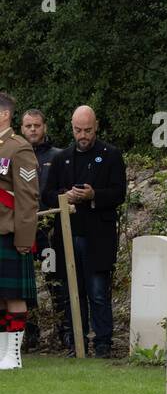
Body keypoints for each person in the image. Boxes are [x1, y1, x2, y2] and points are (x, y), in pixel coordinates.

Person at [50, 105, 126, 358]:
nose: (83, 135)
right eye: (78, 130)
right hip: (69, 234)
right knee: (74, 292)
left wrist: (94, 195)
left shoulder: (111, 155)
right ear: (72, 127)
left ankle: (103, 343)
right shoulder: (62, 158)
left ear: (97, 126)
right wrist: (65, 196)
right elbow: (47, 195)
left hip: (99, 236)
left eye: (88, 130)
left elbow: (119, 193)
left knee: (97, 293)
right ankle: (77, 342)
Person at [19, 108, 68, 351]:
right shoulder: (12, 155)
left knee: (54, 281)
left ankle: (64, 334)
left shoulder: (57, 157)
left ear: (44, 127)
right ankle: (30, 335)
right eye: (28, 126)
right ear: (21, 128)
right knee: (26, 285)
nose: (33, 130)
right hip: (22, 231)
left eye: (37, 125)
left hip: (49, 232)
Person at [0, 92, 39, 370]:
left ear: (4, 114)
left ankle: (14, 355)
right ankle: (3, 353)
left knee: (14, 297)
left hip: (10, 231)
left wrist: (25, 238)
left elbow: (28, 197)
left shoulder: (18, 147)